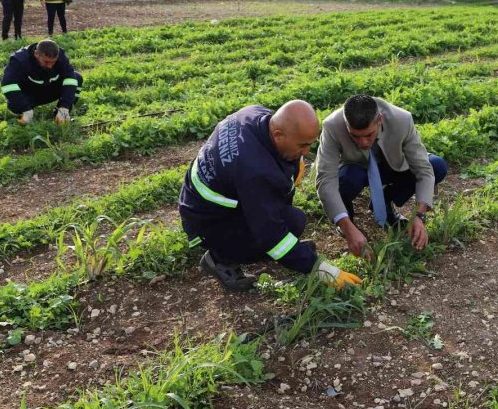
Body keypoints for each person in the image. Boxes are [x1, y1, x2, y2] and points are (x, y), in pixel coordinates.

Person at [179, 101, 362, 292]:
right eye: (302, 145)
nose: (307, 152)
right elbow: (271, 235)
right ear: (278, 135)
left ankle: (288, 253)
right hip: (206, 223)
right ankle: (220, 259)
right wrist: (322, 269)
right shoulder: (254, 172)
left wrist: (290, 165)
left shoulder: (256, 114)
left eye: (310, 144)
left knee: (290, 217)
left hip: (207, 198)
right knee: (291, 224)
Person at [316, 95, 448, 256]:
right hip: (358, 169)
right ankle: (347, 220)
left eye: (368, 135)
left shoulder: (402, 119)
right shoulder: (332, 126)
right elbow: (325, 180)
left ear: (379, 119)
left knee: (437, 166)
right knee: (344, 181)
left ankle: (385, 200)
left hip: (394, 166)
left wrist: (419, 215)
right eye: (355, 136)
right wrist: (346, 227)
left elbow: (423, 169)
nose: (363, 142)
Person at [0, 39, 82, 124]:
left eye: (53, 62)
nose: (50, 66)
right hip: (30, 94)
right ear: (36, 54)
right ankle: (27, 112)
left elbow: (70, 78)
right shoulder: (20, 60)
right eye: (46, 62)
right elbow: (8, 84)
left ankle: (60, 114)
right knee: (15, 107)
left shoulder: (60, 55)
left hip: (49, 89)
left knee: (77, 78)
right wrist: (25, 108)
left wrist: (65, 106)